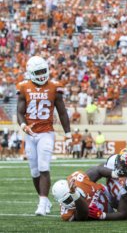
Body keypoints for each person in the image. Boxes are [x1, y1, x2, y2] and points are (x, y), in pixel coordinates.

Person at [16, 56, 72, 216]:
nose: (41, 75)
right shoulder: (23, 87)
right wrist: (23, 125)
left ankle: (41, 202)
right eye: (37, 72)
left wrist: (68, 135)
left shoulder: (55, 87)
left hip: (46, 132)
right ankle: (44, 200)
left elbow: (62, 112)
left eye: (43, 71)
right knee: (34, 171)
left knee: (43, 167)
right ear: (30, 73)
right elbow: (20, 112)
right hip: (30, 134)